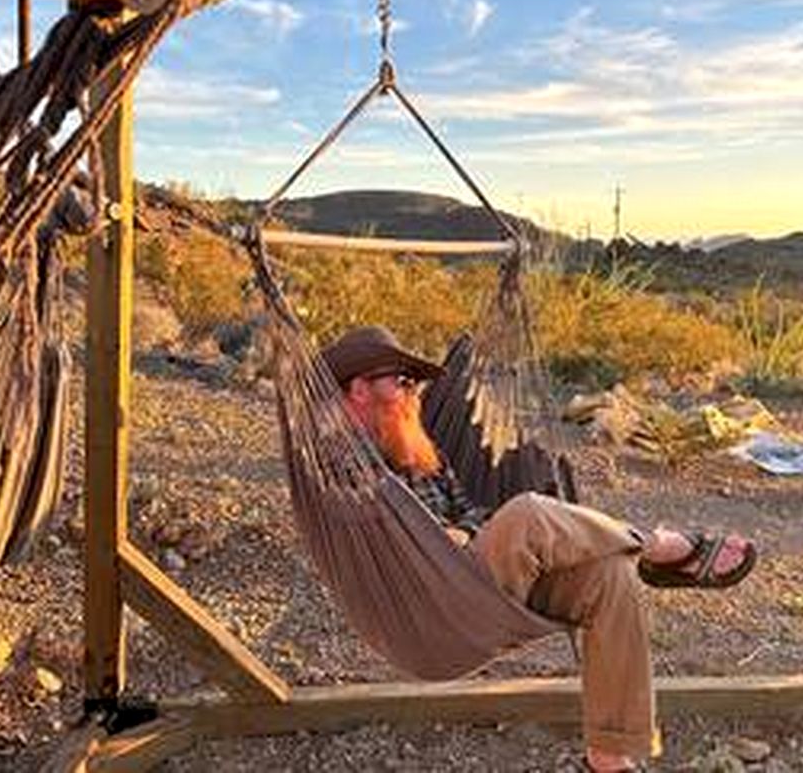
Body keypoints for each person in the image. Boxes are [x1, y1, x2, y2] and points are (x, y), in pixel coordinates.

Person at [321, 326, 757, 773]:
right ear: (358, 388)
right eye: (401, 381)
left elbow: (469, 509)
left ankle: (609, 757)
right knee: (528, 512)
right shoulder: (337, 459)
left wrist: (468, 534)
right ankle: (659, 547)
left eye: (414, 382)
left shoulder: (420, 448)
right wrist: (444, 539)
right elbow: (387, 540)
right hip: (430, 606)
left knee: (610, 576)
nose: (414, 391)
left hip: (479, 581)